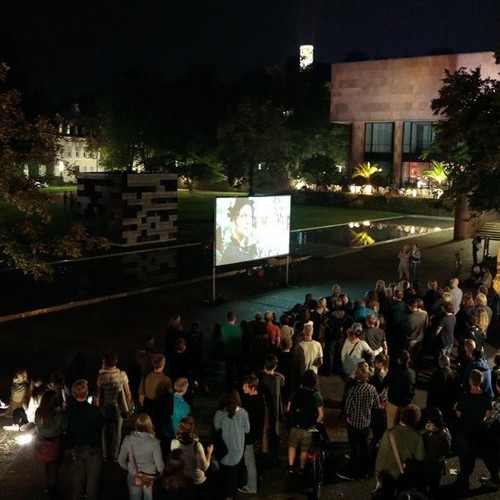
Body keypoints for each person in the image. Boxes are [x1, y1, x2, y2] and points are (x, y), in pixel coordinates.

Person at [337, 366, 380, 481]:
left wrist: (347, 416)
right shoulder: (372, 388)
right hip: (366, 423)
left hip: (353, 424)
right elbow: (377, 404)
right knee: (365, 447)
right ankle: (367, 471)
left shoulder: (354, 390)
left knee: (354, 448)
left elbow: (347, 406)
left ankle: (352, 473)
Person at [454, 369, 492, 492]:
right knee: (472, 456)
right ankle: (467, 473)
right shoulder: (486, 397)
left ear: (470, 381)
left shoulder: (465, 397)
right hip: (477, 432)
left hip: (464, 431)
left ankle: (464, 480)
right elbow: (488, 414)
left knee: (464, 456)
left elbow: (458, 414)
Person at [374, 404, 425, 494]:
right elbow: (420, 457)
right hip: (404, 474)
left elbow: (381, 455)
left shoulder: (389, 433)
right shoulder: (418, 437)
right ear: (416, 421)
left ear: (401, 416)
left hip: (388, 473)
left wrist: (378, 471)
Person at [67, 379, 103, 500]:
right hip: (93, 447)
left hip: (78, 445)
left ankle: (77, 496)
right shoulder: (94, 411)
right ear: (86, 393)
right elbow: (102, 424)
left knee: (78, 474)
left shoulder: (70, 410)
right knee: (92, 477)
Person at [213, 390, 250, 500]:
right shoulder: (243, 413)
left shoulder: (220, 414)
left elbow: (216, 427)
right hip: (237, 450)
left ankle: (221, 492)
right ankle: (230, 495)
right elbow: (247, 430)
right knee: (233, 474)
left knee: (223, 472)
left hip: (224, 450)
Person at [95, 352, 132, 462]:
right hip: (118, 407)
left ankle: (105, 454)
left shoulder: (101, 376)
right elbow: (128, 393)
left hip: (106, 406)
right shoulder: (122, 375)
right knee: (117, 431)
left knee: (105, 430)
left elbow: (98, 394)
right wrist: (127, 405)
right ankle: (115, 455)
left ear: (105, 363)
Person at [286, 370, 324, 475]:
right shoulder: (316, 394)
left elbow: (288, 409)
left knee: (292, 446)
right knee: (304, 449)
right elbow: (321, 415)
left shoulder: (295, 392)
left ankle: (290, 467)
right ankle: (302, 469)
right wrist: (315, 423)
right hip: (308, 427)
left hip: (294, 425)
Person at [118, 413, 164, 500]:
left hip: (133, 474)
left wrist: (129, 468)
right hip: (148, 475)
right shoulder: (154, 442)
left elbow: (121, 460)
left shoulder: (128, 439)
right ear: (150, 425)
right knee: (148, 497)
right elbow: (160, 466)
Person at [35, 389, 68, 499]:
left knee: (48, 466)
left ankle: (49, 488)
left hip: (43, 442)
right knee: (56, 467)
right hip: (56, 443)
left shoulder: (39, 412)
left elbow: (37, 426)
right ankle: (55, 490)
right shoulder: (58, 414)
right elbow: (64, 426)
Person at [170, 416, 213, 497]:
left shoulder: (173, 442)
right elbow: (204, 467)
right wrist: (209, 452)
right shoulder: (197, 445)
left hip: (182, 481)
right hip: (196, 481)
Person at [239, 376, 266, 494]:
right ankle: (255, 479)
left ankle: (251, 486)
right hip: (256, 434)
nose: (243, 388)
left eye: (246, 386)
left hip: (248, 436)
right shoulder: (260, 398)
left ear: (252, 388)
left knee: (249, 461)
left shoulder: (248, 402)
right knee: (253, 458)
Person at [422, 407, 452, 497]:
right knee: (435, 483)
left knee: (425, 482)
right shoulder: (446, 432)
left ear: (429, 420)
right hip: (439, 462)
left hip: (428, 462)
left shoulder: (428, 436)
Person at [219, 198, 259, 266]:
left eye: (250, 216)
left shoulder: (249, 247)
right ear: (235, 219)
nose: (248, 221)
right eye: (244, 216)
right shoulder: (231, 255)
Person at [383, 350, 416, 429]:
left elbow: (385, 383)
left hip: (393, 403)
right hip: (405, 405)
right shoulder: (412, 373)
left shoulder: (394, 372)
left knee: (391, 426)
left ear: (398, 360)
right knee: (402, 426)